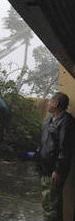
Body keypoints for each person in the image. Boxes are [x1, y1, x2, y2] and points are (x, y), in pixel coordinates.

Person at [37, 92, 75, 221]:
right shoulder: (49, 119)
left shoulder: (66, 122)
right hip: (44, 168)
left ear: (55, 103)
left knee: (51, 206)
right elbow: (44, 142)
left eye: (50, 101)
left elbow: (65, 149)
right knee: (48, 203)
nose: (48, 103)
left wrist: (58, 170)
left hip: (54, 170)